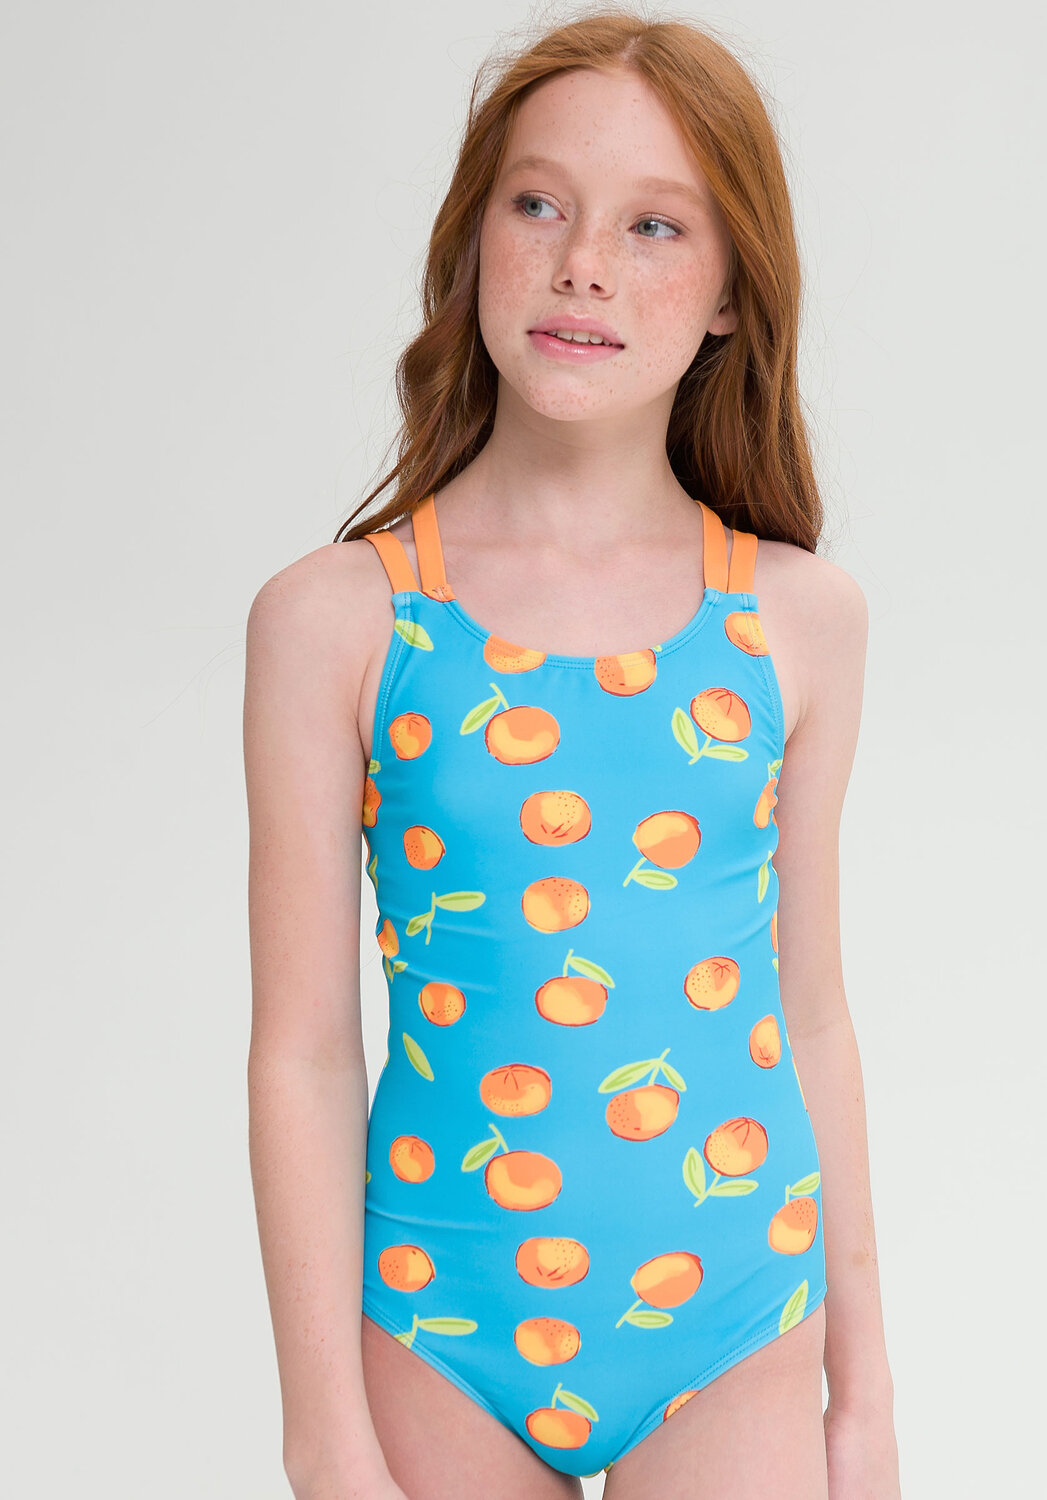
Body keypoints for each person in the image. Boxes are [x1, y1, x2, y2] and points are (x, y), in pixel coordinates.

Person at [244, 9, 900, 1499]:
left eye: (654, 226)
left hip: (736, 1320)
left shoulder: (796, 622)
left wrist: (861, 1401)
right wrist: (323, 1440)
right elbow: (302, 1051)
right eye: (538, 204)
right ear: (472, 241)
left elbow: (812, 1016)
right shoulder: (338, 622)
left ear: (730, 293)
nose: (583, 264)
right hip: (439, 1325)